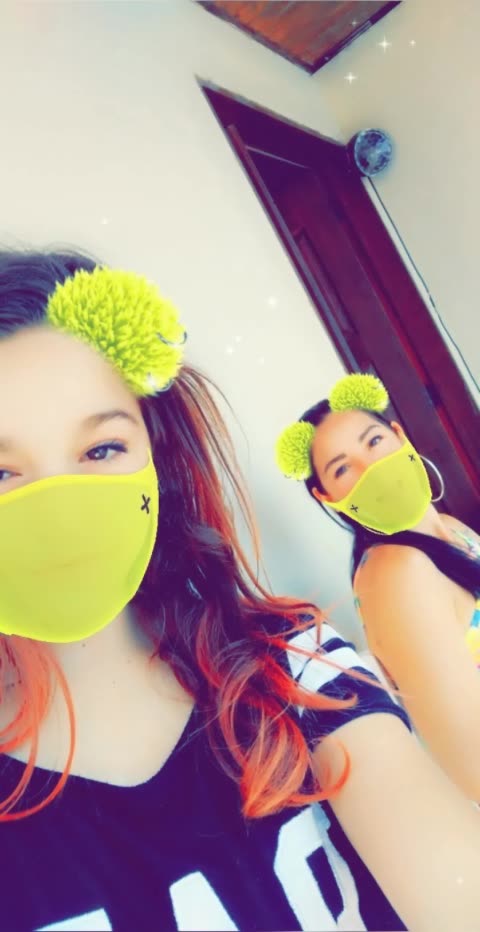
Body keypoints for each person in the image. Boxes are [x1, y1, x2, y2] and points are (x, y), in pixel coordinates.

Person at [0, 257, 479, 932]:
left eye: (102, 449)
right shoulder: (394, 576)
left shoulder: (296, 664)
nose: (61, 509)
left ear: (156, 460)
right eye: (1, 472)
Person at [276, 371, 480, 808]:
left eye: (373, 441)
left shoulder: (453, 530)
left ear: (399, 436)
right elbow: (470, 755)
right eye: (343, 468)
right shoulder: (395, 573)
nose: (370, 467)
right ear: (327, 496)